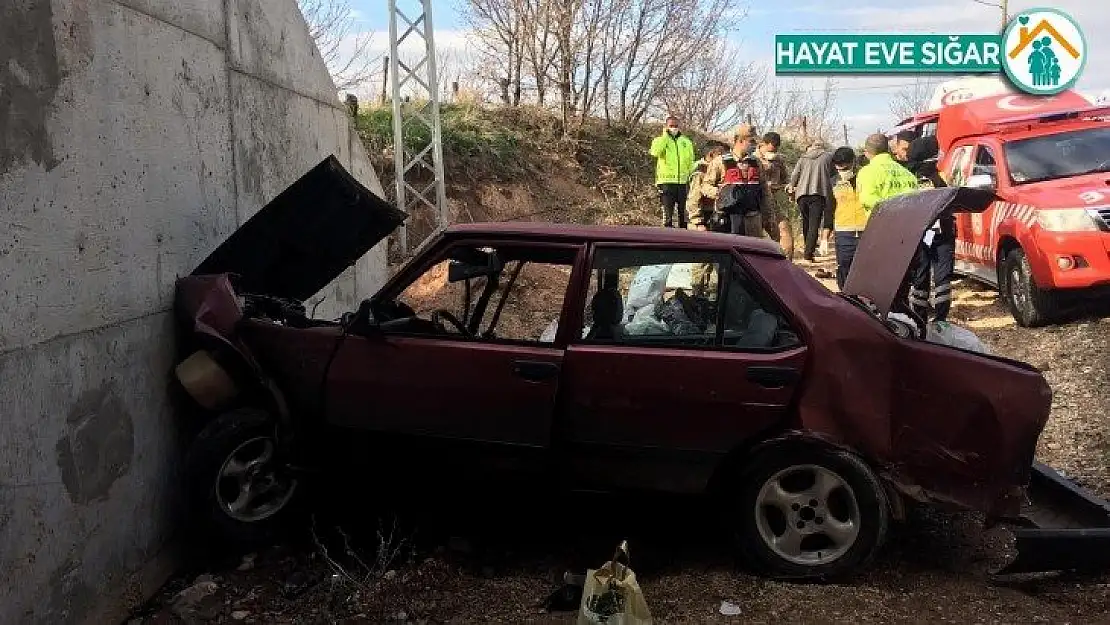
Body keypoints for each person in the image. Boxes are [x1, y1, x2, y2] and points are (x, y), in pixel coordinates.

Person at [856, 133, 922, 315]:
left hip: (882, 235)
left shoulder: (867, 172)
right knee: (902, 286)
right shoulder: (906, 173)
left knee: (881, 288)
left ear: (868, 152)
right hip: (909, 236)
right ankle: (904, 322)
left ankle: (887, 327)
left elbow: (869, 201)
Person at [905, 135, 955, 323]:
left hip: (919, 233)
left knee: (920, 275)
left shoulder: (909, 178)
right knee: (942, 277)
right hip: (941, 232)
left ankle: (919, 316)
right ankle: (941, 318)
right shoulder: (938, 177)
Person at [829, 147, 869, 290]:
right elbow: (829, 207)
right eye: (839, 169)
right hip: (844, 231)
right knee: (844, 266)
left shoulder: (865, 178)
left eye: (845, 168)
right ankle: (847, 299)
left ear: (853, 162)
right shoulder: (833, 182)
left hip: (867, 229)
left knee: (866, 267)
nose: (842, 172)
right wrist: (824, 235)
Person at [789, 138, 835, 263]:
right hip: (818, 193)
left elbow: (795, 175)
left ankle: (807, 246)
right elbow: (832, 172)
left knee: (806, 222)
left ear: (813, 146)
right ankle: (808, 253)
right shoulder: (828, 156)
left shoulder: (803, 158)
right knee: (814, 224)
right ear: (822, 147)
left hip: (801, 194)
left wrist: (792, 186)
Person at [649, 115, 697, 228]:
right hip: (666, 182)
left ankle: (684, 238)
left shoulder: (686, 142)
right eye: (671, 126)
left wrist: (691, 176)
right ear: (666, 126)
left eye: (676, 126)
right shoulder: (659, 140)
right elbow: (655, 152)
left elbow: (691, 161)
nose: (674, 128)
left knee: (683, 214)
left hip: (682, 183)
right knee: (668, 215)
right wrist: (665, 137)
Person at [756, 132, 795, 259]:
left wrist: (787, 188)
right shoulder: (752, 159)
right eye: (771, 148)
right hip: (757, 203)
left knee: (784, 230)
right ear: (763, 144)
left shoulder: (779, 160)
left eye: (776, 148)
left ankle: (786, 263)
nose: (774, 151)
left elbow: (785, 179)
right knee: (755, 236)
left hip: (774, 201)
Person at [715, 153, 766, 236]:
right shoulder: (720, 161)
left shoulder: (756, 162)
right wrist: (720, 192)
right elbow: (705, 186)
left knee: (752, 246)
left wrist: (768, 219)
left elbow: (764, 191)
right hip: (730, 217)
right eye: (749, 141)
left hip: (752, 217)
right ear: (741, 141)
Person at [686, 142, 729, 231]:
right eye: (720, 154)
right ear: (711, 154)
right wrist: (698, 222)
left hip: (714, 215)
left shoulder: (717, 170)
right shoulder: (700, 172)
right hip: (702, 218)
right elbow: (694, 198)